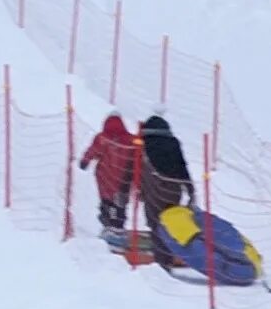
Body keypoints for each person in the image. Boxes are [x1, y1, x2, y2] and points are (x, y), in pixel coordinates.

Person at [136, 113, 194, 269]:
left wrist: (138, 190)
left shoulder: (144, 145)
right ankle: (171, 255)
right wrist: (190, 189)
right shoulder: (173, 143)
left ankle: (162, 263)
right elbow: (182, 166)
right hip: (174, 190)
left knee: (156, 225)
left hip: (154, 189)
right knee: (170, 224)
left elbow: (138, 169)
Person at [78, 110, 138, 234]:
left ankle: (107, 222)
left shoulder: (102, 138)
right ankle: (119, 224)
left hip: (105, 177)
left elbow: (93, 151)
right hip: (124, 180)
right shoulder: (131, 140)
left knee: (107, 201)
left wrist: (85, 161)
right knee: (120, 204)